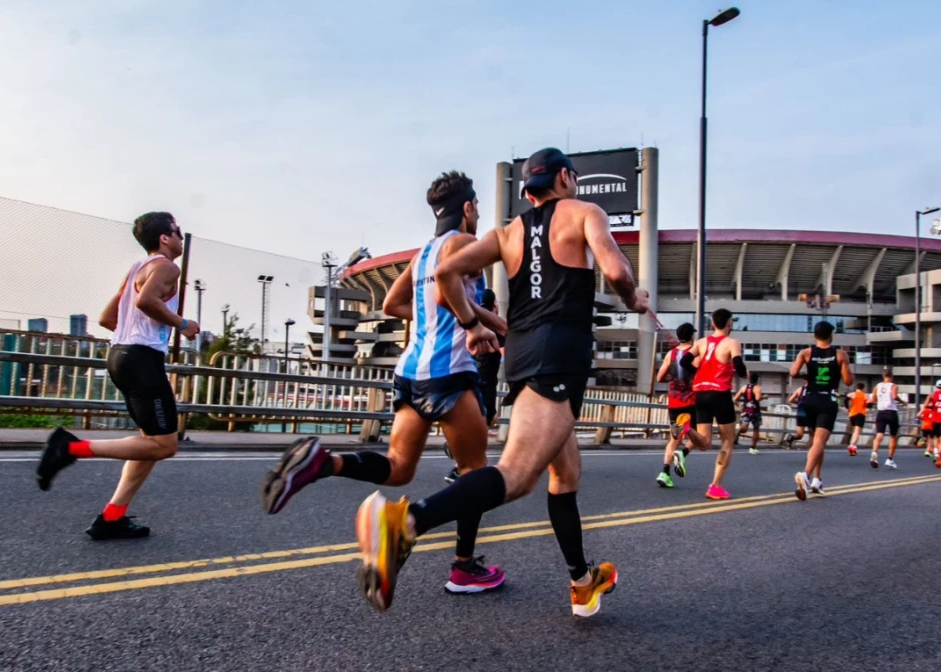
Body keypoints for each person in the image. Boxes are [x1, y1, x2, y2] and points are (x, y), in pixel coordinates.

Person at [352, 148, 651, 617]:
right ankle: (406, 522)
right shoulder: (584, 212)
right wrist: (634, 298)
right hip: (559, 356)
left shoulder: (506, 232)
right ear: (566, 178)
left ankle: (581, 582)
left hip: (524, 354)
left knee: (565, 473)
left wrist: (472, 324)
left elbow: (445, 273)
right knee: (516, 475)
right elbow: (615, 270)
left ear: (528, 190)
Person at [260, 171, 507, 594]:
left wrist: (452, 317)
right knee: (474, 474)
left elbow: (394, 303)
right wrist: (480, 324)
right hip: (449, 372)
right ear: (467, 208)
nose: (479, 214)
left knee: (398, 468)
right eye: (478, 208)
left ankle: (324, 463)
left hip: (410, 373)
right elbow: (446, 290)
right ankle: (464, 567)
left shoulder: (423, 253)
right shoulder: (465, 244)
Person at [35, 212, 198, 539]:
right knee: (165, 446)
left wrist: (137, 333)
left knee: (149, 444)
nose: (181, 237)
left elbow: (108, 318)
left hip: (120, 355)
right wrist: (183, 324)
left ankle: (112, 517)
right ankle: (70, 449)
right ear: (164, 238)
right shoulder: (167, 267)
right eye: (177, 231)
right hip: (141, 360)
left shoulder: (136, 269)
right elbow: (146, 301)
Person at [445, 287, 505, 484]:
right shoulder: (494, 327)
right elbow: (508, 354)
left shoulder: (468, 325)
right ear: (495, 305)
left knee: (483, 423)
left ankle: (463, 465)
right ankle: (459, 460)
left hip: (465, 380)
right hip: (485, 383)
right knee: (480, 429)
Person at [687, 308, 748, 500]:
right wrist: (744, 374)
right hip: (720, 394)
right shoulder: (732, 343)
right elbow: (738, 365)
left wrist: (697, 371)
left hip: (701, 393)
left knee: (704, 443)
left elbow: (683, 362)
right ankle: (715, 485)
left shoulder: (701, 342)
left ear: (713, 324)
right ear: (730, 323)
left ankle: (686, 428)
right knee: (727, 440)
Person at [790, 321, 854, 500]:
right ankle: (806, 475)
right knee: (819, 440)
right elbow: (848, 381)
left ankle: (817, 480)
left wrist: (806, 374)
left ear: (814, 336)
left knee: (816, 441)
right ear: (831, 335)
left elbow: (793, 372)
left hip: (809, 399)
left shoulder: (806, 353)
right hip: (827, 400)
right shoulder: (840, 354)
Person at [656, 323, 700, 488]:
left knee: (674, 438)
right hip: (691, 402)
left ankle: (664, 473)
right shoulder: (696, 353)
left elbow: (660, 377)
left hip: (674, 402)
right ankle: (683, 453)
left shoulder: (671, 354)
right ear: (692, 336)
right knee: (700, 435)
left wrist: (672, 379)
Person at [867, 367, 902, 469]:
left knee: (879, 435)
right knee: (893, 436)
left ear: (883, 376)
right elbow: (894, 397)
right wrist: (902, 401)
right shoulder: (893, 386)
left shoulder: (877, 386)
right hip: (891, 412)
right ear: (892, 377)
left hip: (881, 412)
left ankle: (874, 452)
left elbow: (873, 399)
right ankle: (890, 459)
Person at [735, 373, 764, 455]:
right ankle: (753, 448)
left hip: (745, 410)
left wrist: (739, 406)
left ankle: (738, 431)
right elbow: (757, 398)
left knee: (744, 428)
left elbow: (735, 398)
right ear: (757, 379)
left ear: (749, 379)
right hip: (755, 410)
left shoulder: (744, 387)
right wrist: (764, 397)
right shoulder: (758, 388)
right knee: (756, 429)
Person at [781, 382, 808, 449]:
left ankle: (791, 438)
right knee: (813, 434)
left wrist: (799, 402)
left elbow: (790, 399)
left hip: (800, 414)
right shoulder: (814, 390)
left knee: (800, 435)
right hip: (810, 414)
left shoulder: (800, 389)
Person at [845, 383, 868, 456]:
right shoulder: (865, 395)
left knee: (855, 431)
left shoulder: (852, 394)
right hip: (860, 414)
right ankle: (852, 445)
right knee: (857, 431)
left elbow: (845, 400)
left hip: (852, 414)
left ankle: (853, 448)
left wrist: (848, 408)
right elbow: (869, 404)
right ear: (863, 388)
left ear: (856, 388)